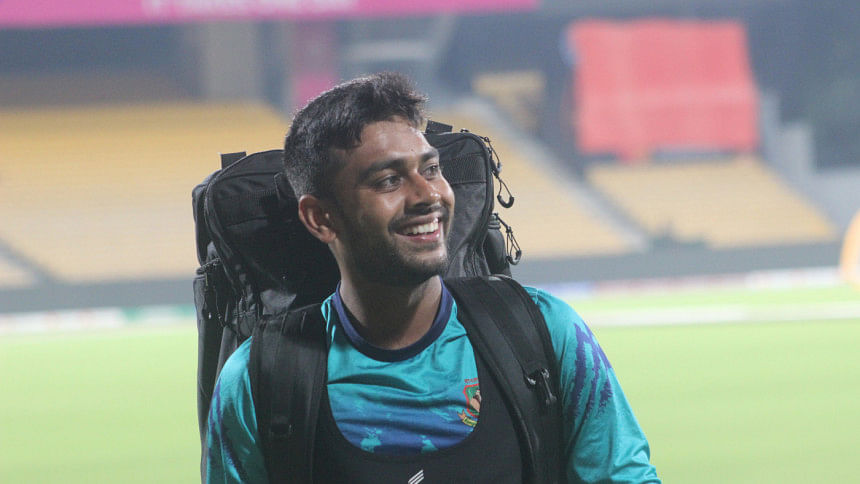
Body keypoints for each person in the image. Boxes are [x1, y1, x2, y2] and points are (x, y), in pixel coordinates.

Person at [204, 72, 660, 483]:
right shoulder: (258, 380)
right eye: (388, 180)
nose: (428, 195)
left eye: (431, 169)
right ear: (321, 218)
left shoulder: (543, 329)